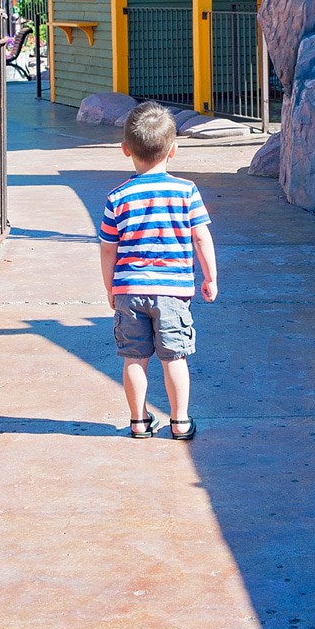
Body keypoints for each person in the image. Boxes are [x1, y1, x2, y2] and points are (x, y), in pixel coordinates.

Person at [100, 102, 218, 440]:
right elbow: (201, 236)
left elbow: (109, 247)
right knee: (174, 356)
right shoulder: (186, 192)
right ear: (173, 150)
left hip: (129, 289)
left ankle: (138, 421)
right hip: (173, 292)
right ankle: (179, 421)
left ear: (125, 150)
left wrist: (111, 287)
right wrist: (210, 276)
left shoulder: (117, 197)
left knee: (134, 357)